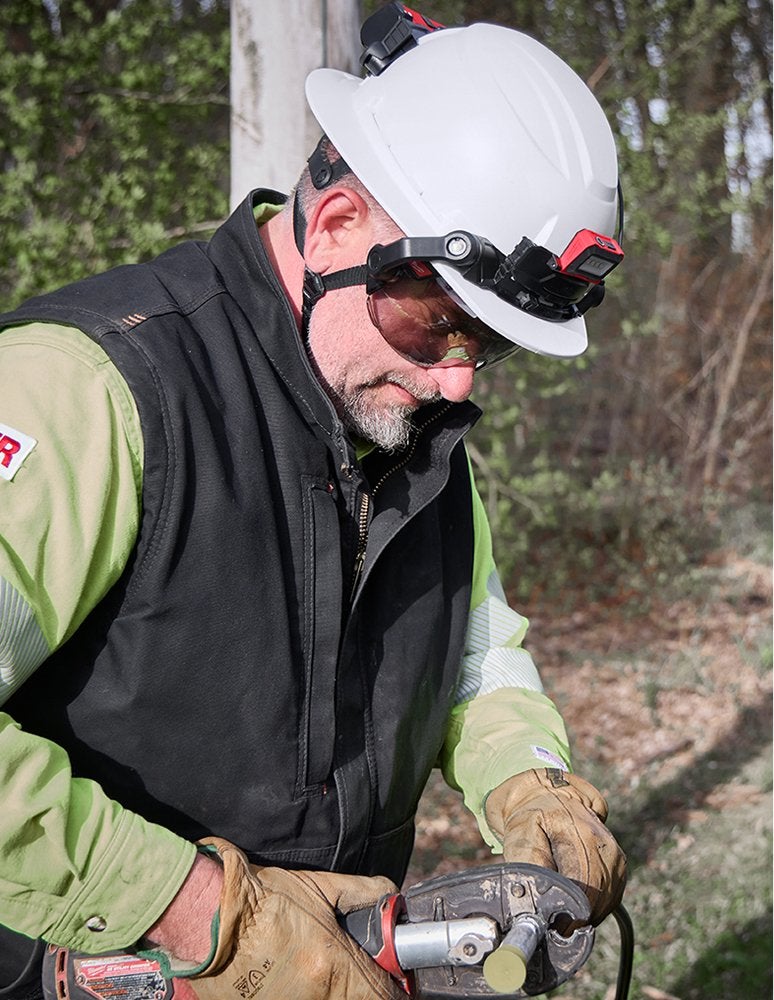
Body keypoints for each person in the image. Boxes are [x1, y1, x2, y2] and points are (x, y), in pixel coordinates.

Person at [0, 6, 627, 998]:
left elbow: (475, 654)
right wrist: (195, 908)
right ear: (337, 228)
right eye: (439, 320)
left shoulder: (413, 432)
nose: (458, 378)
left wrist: (530, 780)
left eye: (491, 343)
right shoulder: (94, 389)